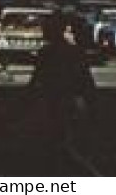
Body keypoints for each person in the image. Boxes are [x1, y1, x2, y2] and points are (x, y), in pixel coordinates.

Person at [30, 15, 96, 157]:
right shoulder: (75, 51)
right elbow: (87, 80)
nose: (43, 32)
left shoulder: (45, 53)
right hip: (70, 99)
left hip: (53, 99)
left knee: (54, 137)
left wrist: (27, 98)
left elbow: (35, 80)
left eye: (45, 29)